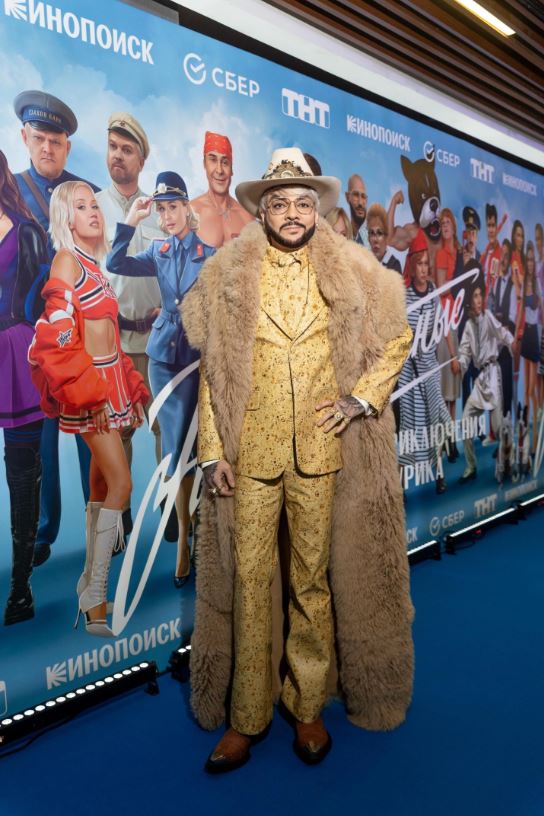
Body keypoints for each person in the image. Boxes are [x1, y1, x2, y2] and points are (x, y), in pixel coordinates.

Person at [182, 147, 414, 772]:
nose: (291, 213)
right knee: (250, 582)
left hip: (320, 452)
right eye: (280, 203)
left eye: (302, 204)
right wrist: (212, 452)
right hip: (251, 456)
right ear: (262, 211)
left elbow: (398, 334)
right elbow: (214, 373)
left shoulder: (352, 269)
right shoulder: (230, 275)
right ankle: (246, 717)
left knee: (311, 582)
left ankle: (307, 705)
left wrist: (362, 399)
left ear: (318, 210)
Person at [28, 181, 149, 635]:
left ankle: (89, 589)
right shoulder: (66, 260)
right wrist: (89, 394)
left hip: (112, 388)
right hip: (90, 392)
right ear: (67, 218)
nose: (93, 212)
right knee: (122, 483)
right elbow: (55, 338)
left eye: (94, 204)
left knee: (100, 488)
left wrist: (128, 388)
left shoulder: (93, 266)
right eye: (82, 206)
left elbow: (108, 337)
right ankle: (96, 593)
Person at [107, 172, 215, 587]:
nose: (167, 216)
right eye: (161, 209)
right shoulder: (158, 249)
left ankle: (202, 529)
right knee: (174, 451)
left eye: (173, 207)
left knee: (201, 446)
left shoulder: (211, 255)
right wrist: (131, 221)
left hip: (199, 359)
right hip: (164, 359)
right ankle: (184, 539)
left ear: (187, 207)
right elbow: (115, 263)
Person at [13, 90, 99, 567]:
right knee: (40, 440)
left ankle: (103, 520)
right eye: (39, 138)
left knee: (92, 432)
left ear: (68, 146)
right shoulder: (10, 190)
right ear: (25, 138)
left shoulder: (85, 194)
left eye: (56, 141)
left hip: (80, 335)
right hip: (31, 337)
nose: (47, 147)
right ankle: (42, 532)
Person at [96, 113, 166, 537]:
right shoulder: (91, 206)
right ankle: (118, 517)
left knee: (164, 427)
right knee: (116, 432)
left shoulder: (160, 211)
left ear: (141, 160)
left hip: (155, 342)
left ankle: (173, 508)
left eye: (127, 149)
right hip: (112, 345)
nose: (118, 156)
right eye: (113, 147)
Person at [0, 151, 48, 625]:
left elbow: (45, 300)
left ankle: (20, 588)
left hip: (17, 354)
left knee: (22, 472)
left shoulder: (26, 230)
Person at [397, 231, 454, 494]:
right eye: (418, 263)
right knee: (410, 426)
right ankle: (401, 487)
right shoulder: (404, 295)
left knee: (435, 420)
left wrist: (449, 353)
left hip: (429, 365)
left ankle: (439, 474)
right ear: (412, 265)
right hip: (409, 371)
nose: (423, 268)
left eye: (425, 264)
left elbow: (441, 325)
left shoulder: (433, 293)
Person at [457, 283, 514, 483]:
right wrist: (459, 365)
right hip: (481, 380)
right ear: (469, 301)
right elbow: (464, 353)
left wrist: (513, 343)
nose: (479, 300)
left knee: (498, 429)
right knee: (465, 421)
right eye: (475, 296)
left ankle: (508, 459)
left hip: (493, 374)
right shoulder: (468, 326)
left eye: (480, 295)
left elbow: (503, 334)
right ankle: (471, 466)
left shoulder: (488, 316)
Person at [189, 131, 253, 248]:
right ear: (204, 164)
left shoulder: (247, 217)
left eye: (225, 162)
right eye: (213, 160)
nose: (219, 170)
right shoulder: (190, 212)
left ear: (231, 169)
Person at [435, 208, 463, 453]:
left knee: (453, 393)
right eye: (442, 223)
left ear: (453, 226)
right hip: (445, 324)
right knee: (446, 392)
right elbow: (442, 290)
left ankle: (450, 438)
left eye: (448, 222)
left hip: (456, 320)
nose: (445, 226)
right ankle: (445, 440)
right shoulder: (442, 254)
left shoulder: (459, 253)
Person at [514, 241, 544, 454]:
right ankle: (526, 439)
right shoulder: (525, 283)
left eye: (533, 259)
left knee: (533, 391)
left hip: (536, 336)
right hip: (526, 336)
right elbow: (520, 314)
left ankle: (535, 441)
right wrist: (515, 336)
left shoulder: (538, 284)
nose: (531, 263)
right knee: (526, 391)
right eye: (529, 259)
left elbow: (542, 311)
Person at [489, 239, 516, 418]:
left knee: (506, 389)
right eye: (502, 254)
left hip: (505, 348)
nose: (504, 258)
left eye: (507, 255)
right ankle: (495, 429)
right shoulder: (495, 283)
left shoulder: (513, 286)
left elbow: (512, 320)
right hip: (493, 349)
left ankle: (507, 425)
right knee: (494, 391)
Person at [480, 204, 506, 304]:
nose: (491, 230)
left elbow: (493, 284)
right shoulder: (485, 254)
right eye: (488, 226)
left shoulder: (500, 254)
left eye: (493, 226)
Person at [366, 203, 402, 274]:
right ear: (368, 238)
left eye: (379, 233)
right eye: (372, 233)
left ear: (386, 237)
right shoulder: (364, 262)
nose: (375, 239)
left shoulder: (394, 265)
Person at [344, 173, 369, 246]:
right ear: (347, 197)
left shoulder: (371, 241)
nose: (360, 202)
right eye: (356, 195)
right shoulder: (341, 234)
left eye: (363, 196)